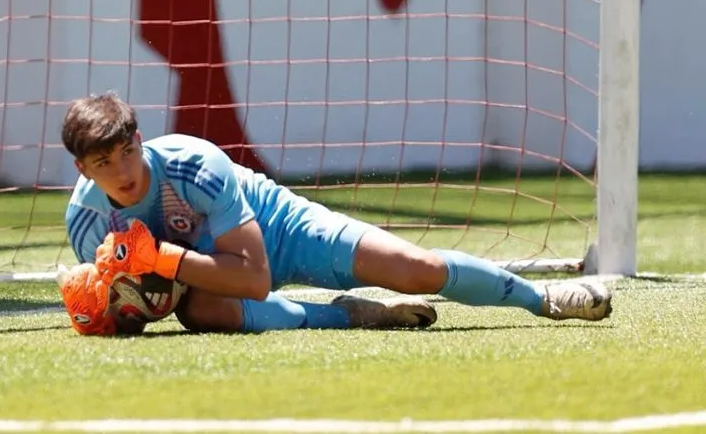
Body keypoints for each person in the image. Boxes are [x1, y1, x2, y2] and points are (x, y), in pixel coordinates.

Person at [55, 92, 612, 336]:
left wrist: (166, 258)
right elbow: (143, 303)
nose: (124, 170)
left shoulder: (193, 166)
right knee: (204, 314)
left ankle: (543, 301)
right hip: (206, 282)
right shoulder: (85, 225)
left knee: (415, 268)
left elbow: (254, 277)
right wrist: (109, 314)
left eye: (128, 151)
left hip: (277, 228)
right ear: (84, 171)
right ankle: (356, 315)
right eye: (105, 162)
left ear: (140, 140)